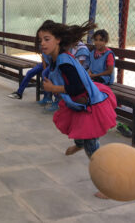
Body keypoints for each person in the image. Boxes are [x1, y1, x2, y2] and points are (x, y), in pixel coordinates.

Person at [38, 21, 117, 199]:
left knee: (93, 149)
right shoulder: (56, 57)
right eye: (40, 39)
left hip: (90, 105)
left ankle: (109, 185)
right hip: (79, 104)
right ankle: (79, 144)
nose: (42, 43)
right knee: (77, 126)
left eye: (47, 39)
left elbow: (77, 88)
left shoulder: (64, 61)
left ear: (58, 40)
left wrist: (54, 89)